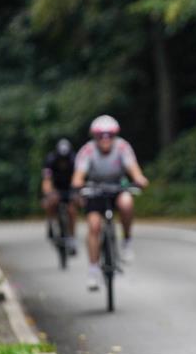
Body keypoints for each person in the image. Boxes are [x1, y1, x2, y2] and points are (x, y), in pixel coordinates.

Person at [71, 115, 150, 291]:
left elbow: (134, 170)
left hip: (117, 188)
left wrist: (139, 179)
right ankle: (93, 270)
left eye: (109, 135)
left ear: (115, 136)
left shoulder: (122, 147)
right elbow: (78, 177)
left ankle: (127, 241)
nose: (105, 140)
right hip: (95, 190)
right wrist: (78, 186)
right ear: (95, 137)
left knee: (127, 203)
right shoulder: (87, 151)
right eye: (101, 136)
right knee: (93, 226)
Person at [42, 138, 78, 255]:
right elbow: (47, 180)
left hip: (69, 187)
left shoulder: (74, 160)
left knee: (72, 210)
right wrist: (49, 193)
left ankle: (72, 239)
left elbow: (78, 178)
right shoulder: (50, 160)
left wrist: (76, 193)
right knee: (50, 202)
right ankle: (51, 223)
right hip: (56, 187)